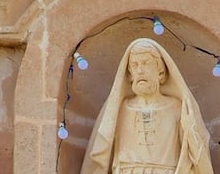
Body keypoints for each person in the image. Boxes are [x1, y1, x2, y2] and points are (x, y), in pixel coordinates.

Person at [81, 38, 213, 174]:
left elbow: (196, 158)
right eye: (135, 65)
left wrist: (191, 133)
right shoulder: (119, 109)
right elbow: (100, 158)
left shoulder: (177, 108)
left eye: (146, 63)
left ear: (160, 72)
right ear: (130, 73)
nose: (140, 70)